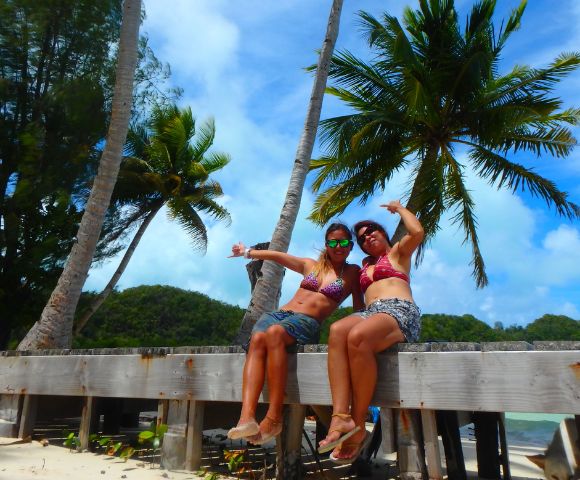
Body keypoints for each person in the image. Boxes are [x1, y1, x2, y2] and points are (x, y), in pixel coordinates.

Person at [227, 223, 364, 445]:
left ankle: (273, 417)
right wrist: (247, 252)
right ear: (326, 245)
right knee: (258, 339)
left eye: (344, 242)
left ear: (350, 246)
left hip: (307, 322)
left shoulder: (352, 272)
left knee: (273, 335)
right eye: (333, 242)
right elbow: (279, 256)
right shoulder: (311, 265)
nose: (338, 246)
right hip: (279, 315)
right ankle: (247, 417)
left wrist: (360, 328)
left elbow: (359, 307)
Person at [318, 200, 424, 464]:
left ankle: (357, 425)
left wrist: (399, 209)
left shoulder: (398, 253)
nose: (367, 238)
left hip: (398, 310)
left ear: (384, 233)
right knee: (337, 330)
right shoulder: (365, 264)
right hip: (370, 313)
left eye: (371, 231)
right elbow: (353, 297)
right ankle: (340, 418)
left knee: (358, 337)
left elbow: (417, 232)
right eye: (362, 238)